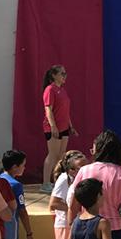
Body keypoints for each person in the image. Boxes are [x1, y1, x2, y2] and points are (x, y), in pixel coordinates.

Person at [42, 64, 78, 193]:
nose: (65, 76)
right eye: (62, 74)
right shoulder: (50, 89)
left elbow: (65, 111)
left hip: (64, 127)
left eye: (65, 73)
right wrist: (53, 126)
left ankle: (56, 181)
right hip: (53, 127)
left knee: (61, 156)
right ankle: (45, 183)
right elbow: (48, 109)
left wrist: (71, 126)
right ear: (54, 75)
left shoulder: (62, 90)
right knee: (52, 154)